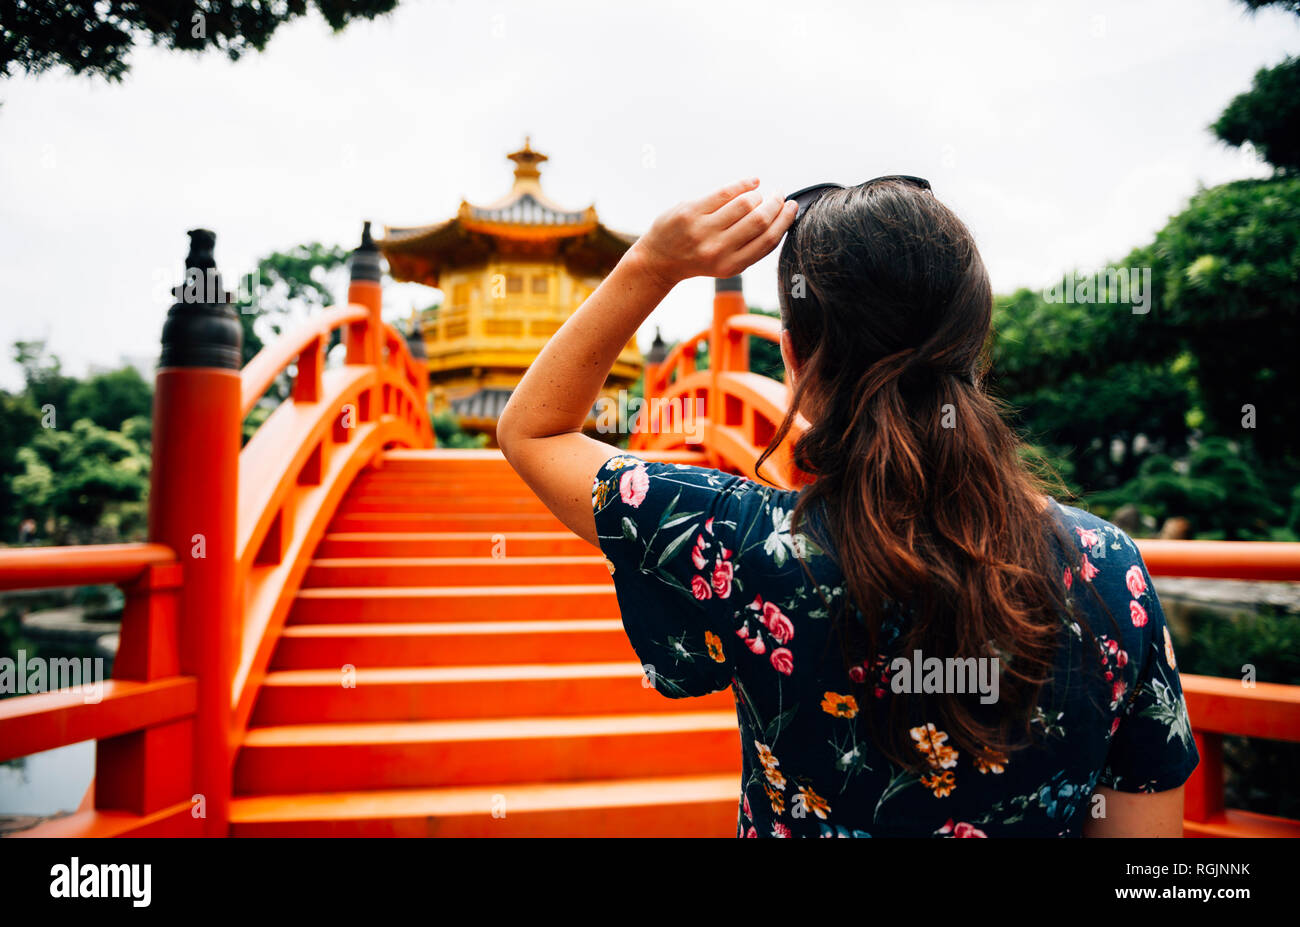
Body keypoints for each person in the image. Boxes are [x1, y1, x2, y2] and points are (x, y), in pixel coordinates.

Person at [497, 176, 1198, 837]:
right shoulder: (1112, 570)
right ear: (976, 353)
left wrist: (652, 262)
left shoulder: (742, 546)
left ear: (793, 358)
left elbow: (532, 429)